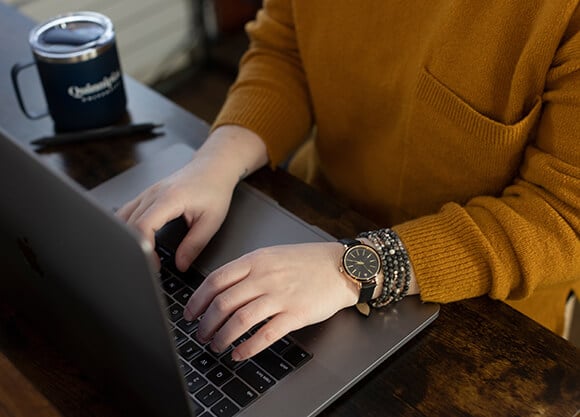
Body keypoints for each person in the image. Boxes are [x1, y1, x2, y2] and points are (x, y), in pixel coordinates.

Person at [118, 0, 580, 361]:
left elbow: (564, 216)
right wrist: (214, 164)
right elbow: (286, 49)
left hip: (485, 311)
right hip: (311, 227)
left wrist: (349, 267)